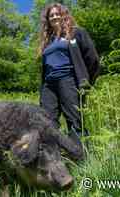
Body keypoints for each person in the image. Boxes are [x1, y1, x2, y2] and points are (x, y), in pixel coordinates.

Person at [38, 3, 100, 138]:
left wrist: (85, 81)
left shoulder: (76, 33)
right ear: (48, 19)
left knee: (75, 120)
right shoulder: (48, 41)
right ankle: (54, 156)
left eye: (57, 14)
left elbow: (92, 59)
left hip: (68, 80)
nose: (55, 17)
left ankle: (81, 156)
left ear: (63, 15)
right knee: (47, 122)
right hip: (49, 85)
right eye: (51, 15)